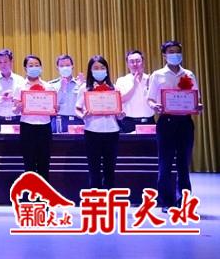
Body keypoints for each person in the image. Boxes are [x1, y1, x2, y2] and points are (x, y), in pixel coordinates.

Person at [147, 40, 204, 212]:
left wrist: (198, 106)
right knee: (165, 163)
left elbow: (195, 97)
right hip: (166, 122)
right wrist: (154, 106)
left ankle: (183, 200)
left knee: (183, 163)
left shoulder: (189, 74)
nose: (175, 54)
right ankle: (166, 201)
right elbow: (150, 99)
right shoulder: (157, 75)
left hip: (185, 122)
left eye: (177, 51)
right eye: (171, 51)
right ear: (164, 55)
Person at [76, 55, 122, 190]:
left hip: (112, 132)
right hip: (92, 131)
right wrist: (83, 116)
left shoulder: (114, 88)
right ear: (90, 71)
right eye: (96, 68)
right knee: (94, 169)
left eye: (102, 67)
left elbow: (118, 112)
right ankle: (96, 198)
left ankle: (109, 197)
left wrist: (120, 115)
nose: (99, 70)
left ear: (107, 70)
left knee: (110, 169)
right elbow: (77, 108)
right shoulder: (85, 88)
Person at [13, 55, 55, 179]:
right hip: (27, 127)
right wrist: (18, 107)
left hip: (44, 127)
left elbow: (53, 108)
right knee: (29, 163)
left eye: (37, 65)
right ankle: (30, 190)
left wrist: (55, 108)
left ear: (41, 68)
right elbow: (14, 110)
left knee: (44, 163)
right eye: (31, 65)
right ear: (25, 68)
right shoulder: (20, 87)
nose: (34, 67)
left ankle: (44, 190)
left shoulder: (48, 86)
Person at [116, 50, 155, 133]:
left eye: (138, 61)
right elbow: (121, 100)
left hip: (148, 121)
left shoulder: (151, 79)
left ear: (143, 62)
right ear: (127, 64)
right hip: (128, 122)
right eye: (131, 62)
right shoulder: (122, 80)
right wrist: (134, 86)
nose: (135, 64)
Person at [0, 49, 24, 133]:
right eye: (0, 62)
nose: (2, 65)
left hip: (16, 120)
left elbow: (24, 102)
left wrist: (16, 100)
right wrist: (0, 98)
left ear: (11, 62)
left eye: (5, 62)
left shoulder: (21, 80)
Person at [48, 54, 84, 133]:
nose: (65, 68)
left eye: (67, 65)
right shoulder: (51, 85)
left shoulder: (80, 83)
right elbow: (52, 107)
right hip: (59, 120)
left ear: (72, 66)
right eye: (61, 66)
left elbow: (84, 104)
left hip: (78, 120)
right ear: (57, 68)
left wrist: (81, 86)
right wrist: (61, 89)